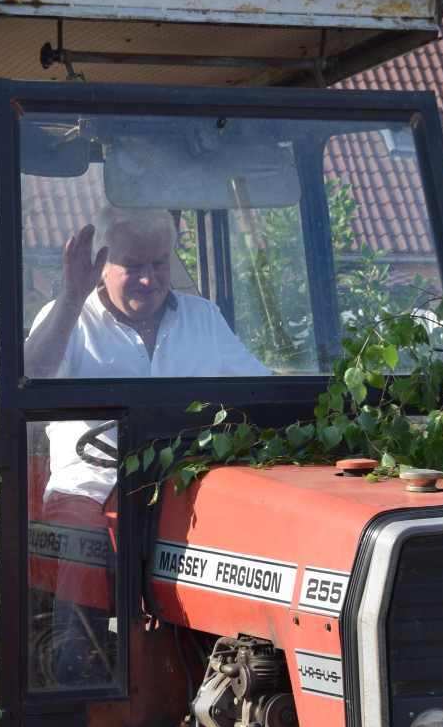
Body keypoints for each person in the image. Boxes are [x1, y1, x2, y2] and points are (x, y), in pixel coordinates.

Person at [26, 207, 268, 505]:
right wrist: (71, 299)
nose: (148, 279)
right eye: (134, 266)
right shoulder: (65, 318)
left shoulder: (203, 318)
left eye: (158, 263)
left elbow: (263, 394)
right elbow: (29, 376)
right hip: (92, 491)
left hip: (188, 487)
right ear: (102, 265)